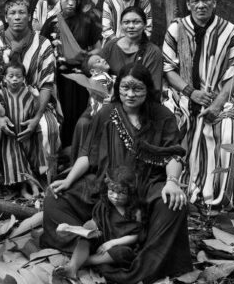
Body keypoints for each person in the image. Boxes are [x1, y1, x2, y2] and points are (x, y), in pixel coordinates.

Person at [42, 63, 192, 283]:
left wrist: (172, 181)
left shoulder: (163, 116)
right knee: (55, 200)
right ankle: (92, 245)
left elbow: (174, 156)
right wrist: (68, 180)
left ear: (148, 89)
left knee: (173, 204)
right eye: (125, 88)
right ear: (117, 88)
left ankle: (146, 254)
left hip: (147, 186)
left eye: (137, 89)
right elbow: (86, 154)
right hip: (105, 185)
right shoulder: (106, 113)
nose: (130, 94)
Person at [162, 0, 234, 206]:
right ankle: (175, 183)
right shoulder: (176, 29)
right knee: (173, 121)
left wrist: (217, 105)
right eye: (195, 1)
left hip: (219, 97)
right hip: (182, 95)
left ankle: (217, 196)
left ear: (214, 2)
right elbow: (168, 69)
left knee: (226, 128)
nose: (201, 5)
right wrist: (190, 92)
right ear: (188, 4)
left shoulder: (229, 31)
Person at [0, 0, 61, 184]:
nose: (17, 17)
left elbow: (47, 83)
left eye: (22, 13)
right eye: (12, 13)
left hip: (33, 101)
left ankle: (45, 177)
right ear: (6, 17)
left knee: (49, 128)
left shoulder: (43, 44)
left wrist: (36, 117)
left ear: (29, 16)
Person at [40, 0, 102, 150]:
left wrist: (82, 56)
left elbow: (98, 48)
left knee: (80, 113)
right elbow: (42, 48)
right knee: (62, 113)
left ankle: (79, 151)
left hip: (80, 77)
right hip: (57, 77)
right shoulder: (52, 23)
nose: (70, 3)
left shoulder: (87, 21)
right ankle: (60, 152)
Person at [55, 166, 144, 279]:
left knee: (122, 253)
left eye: (122, 193)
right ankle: (72, 268)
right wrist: (77, 229)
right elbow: (94, 222)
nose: (116, 197)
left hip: (121, 246)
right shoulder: (104, 205)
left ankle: (86, 261)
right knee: (85, 239)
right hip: (102, 240)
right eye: (112, 191)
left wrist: (111, 243)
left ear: (131, 192)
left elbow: (135, 236)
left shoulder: (136, 212)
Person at [0, 60, 44, 197]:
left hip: (25, 134)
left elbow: (34, 112)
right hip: (10, 136)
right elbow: (0, 113)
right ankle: (29, 186)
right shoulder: (1, 93)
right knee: (16, 159)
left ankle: (29, 186)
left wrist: (36, 98)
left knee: (24, 159)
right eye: (11, 76)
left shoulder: (27, 93)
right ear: (5, 78)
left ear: (23, 78)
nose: (15, 79)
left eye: (18, 76)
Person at [100, 5, 163, 91]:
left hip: (140, 99)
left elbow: (154, 88)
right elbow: (98, 74)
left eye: (136, 22)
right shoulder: (110, 46)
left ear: (145, 25)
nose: (131, 26)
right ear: (121, 25)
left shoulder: (153, 52)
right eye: (126, 22)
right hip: (110, 98)